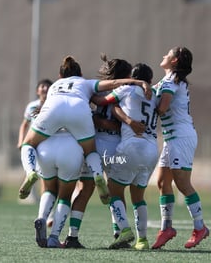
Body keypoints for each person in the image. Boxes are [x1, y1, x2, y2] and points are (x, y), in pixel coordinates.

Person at [19, 55, 152, 208]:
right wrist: (138, 83)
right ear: (80, 74)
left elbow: (57, 102)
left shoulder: (56, 85)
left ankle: (30, 173)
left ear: (60, 76)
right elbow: (114, 87)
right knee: (99, 165)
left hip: (67, 122)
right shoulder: (88, 84)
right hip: (113, 140)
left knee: (28, 144)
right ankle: (99, 180)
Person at [63, 54, 132, 248]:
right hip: (113, 148)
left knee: (84, 190)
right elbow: (118, 125)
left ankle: (72, 236)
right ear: (124, 75)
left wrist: (94, 119)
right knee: (116, 191)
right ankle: (120, 233)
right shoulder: (124, 93)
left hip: (92, 147)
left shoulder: (93, 93)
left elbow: (89, 115)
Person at [151, 46, 209, 250]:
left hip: (180, 137)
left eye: (168, 53)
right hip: (171, 137)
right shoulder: (168, 79)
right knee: (162, 182)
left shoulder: (171, 80)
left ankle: (200, 228)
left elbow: (162, 107)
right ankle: (166, 228)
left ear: (174, 61)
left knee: (182, 184)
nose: (164, 55)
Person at [95, 63, 158, 250]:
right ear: (150, 80)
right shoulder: (155, 94)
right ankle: (143, 240)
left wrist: (87, 92)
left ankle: (124, 230)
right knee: (138, 197)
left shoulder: (127, 89)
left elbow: (102, 101)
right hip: (152, 149)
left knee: (113, 191)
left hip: (132, 146)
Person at [33, 131, 84, 248]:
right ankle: (54, 238)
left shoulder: (43, 111)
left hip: (46, 147)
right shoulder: (79, 111)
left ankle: (42, 217)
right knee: (65, 196)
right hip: (70, 147)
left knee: (49, 189)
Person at [17, 78, 53, 202]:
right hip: (34, 143)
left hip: (46, 143)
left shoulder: (53, 104)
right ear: (37, 91)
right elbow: (24, 124)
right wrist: (21, 141)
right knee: (44, 178)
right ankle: (45, 210)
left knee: (43, 179)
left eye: (47, 86)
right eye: (42, 86)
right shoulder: (31, 106)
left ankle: (38, 198)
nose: (45, 88)